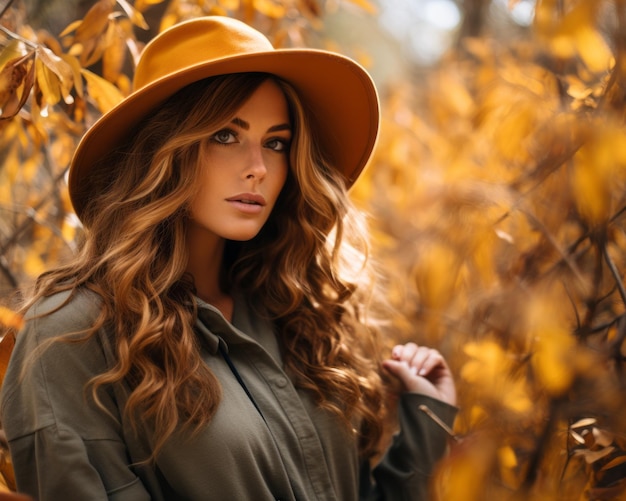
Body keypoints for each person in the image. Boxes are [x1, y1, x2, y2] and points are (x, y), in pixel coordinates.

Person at [0, 15, 457, 501]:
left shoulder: (295, 313)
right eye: (225, 135)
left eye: (276, 143)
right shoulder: (73, 335)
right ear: (162, 151)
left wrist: (424, 424)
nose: (258, 168)